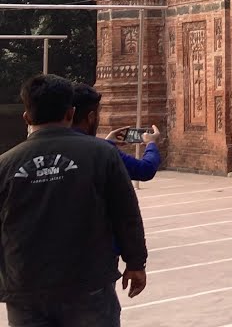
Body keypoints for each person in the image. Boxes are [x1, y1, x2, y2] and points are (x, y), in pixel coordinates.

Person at [0, 74, 148, 326]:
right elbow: (125, 213)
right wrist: (135, 262)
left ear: (26, 117)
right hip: (87, 283)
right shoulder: (101, 154)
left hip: (25, 287)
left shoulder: (6, 164)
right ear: (70, 113)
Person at [71, 83, 162, 181]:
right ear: (91, 117)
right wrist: (151, 143)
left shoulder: (54, 144)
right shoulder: (102, 151)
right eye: (99, 113)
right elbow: (145, 170)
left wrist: (106, 142)